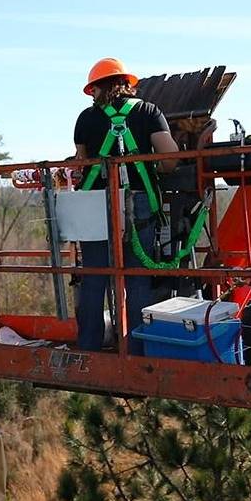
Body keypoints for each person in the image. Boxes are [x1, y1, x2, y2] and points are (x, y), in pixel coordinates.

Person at [73, 57, 180, 354]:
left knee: (95, 276)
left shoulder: (86, 118)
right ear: (126, 85)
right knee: (137, 280)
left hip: (96, 204)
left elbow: (82, 164)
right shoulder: (149, 111)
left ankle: (89, 346)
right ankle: (138, 350)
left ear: (96, 89)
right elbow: (170, 159)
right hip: (140, 202)